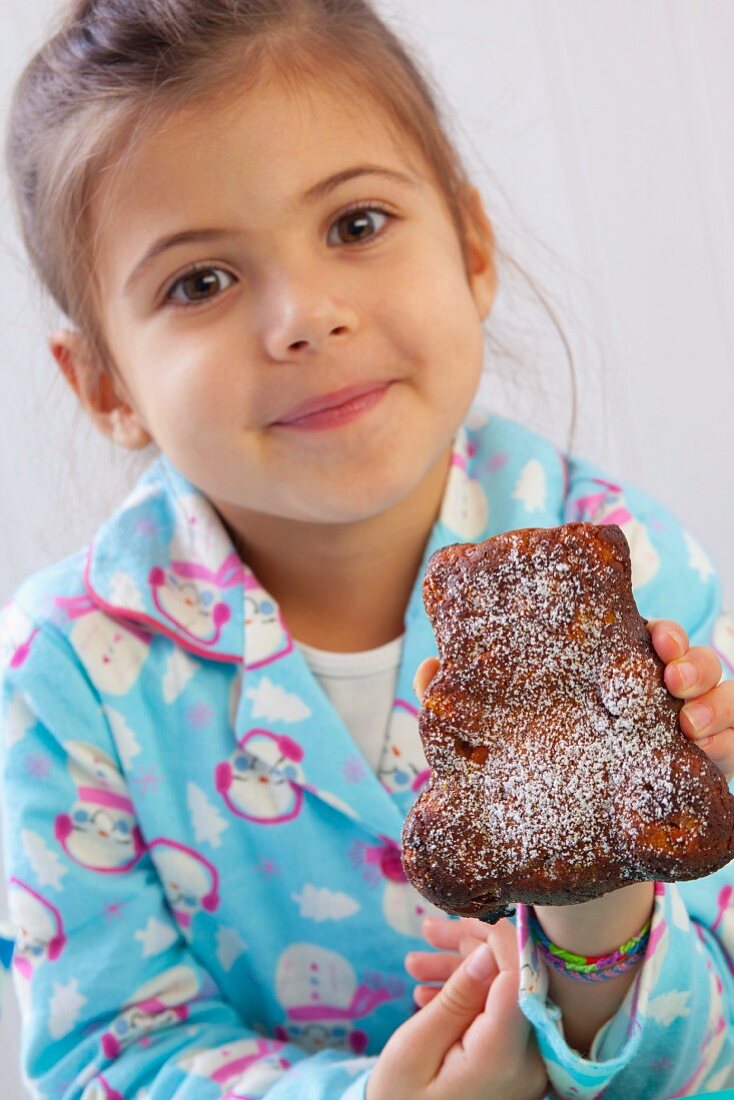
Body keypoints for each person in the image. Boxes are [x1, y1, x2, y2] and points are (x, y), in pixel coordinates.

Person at [0, 1, 732, 1096]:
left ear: (470, 247)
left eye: (353, 225)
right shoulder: (70, 671)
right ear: (106, 382)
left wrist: (596, 927)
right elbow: (106, 1053)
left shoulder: (625, 575)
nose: (304, 314)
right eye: (200, 281)